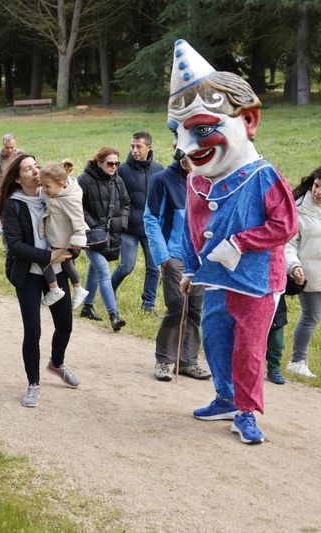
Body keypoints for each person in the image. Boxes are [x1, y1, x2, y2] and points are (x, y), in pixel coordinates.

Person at [169, 39, 297, 444]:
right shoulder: (195, 181)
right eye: (178, 132)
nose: (183, 147)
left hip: (257, 280)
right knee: (216, 336)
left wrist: (242, 242)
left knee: (248, 347)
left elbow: (286, 225)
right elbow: (191, 228)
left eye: (202, 130)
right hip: (216, 277)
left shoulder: (263, 176)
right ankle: (225, 396)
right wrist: (190, 267)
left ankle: (247, 410)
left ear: (249, 121)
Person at [0, 154, 80, 408]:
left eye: (36, 166)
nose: (34, 171)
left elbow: (73, 217)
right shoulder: (14, 204)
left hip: (57, 270)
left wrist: (72, 249)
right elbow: (15, 245)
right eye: (27, 168)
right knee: (33, 331)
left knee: (65, 325)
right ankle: (33, 383)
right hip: (29, 274)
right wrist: (47, 255)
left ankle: (57, 363)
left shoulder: (53, 193)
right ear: (18, 177)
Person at [143, 150, 210, 381]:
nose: (191, 163)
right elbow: (150, 218)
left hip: (200, 257)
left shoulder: (206, 178)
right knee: (177, 307)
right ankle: (164, 360)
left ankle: (187, 362)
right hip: (174, 255)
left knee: (194, 310)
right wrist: (163, 256)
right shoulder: (161, 180)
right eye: (187, 158)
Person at [77, 147, 130, 331]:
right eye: (110, 163)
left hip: (110, 234)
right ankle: (114, 315)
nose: (114, 166)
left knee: (94, 269)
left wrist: (121, 224)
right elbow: (76, 206)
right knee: (103, 271)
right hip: (91, 235)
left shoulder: (118, 180)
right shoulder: (84, 180)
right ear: (99, 163)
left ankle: (87, 306)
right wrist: (93, 225)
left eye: (117, 163)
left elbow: (126, 204)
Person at [112, 131, 164, 314]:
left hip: (151, 229)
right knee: (126, 267)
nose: (134, 150)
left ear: (149, 147)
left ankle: (148, 305)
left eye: (138, 146)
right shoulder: (122, 170)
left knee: (154, 268)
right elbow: (115, 199)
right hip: (130, 229)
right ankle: (109, 291)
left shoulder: (159, 170)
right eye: (132, 146)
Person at [285, 168, 321, 379]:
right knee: (312, 316)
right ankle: (297, 361)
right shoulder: (298, 210)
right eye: (317, 186)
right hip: (308, 274)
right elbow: (288, 245)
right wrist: (294, 267)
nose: (318, 192)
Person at [38, 163, 90, 309]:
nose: (44, 190)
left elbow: (79, 220)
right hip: (59, 238)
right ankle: (79, 289)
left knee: (44, 261)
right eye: (43, 186)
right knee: (67, 264)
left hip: (64, 242)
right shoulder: (56, 192)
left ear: (61, 185)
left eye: (47, 186)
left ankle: (54, 289)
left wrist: (77, 243)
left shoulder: (69, 199)